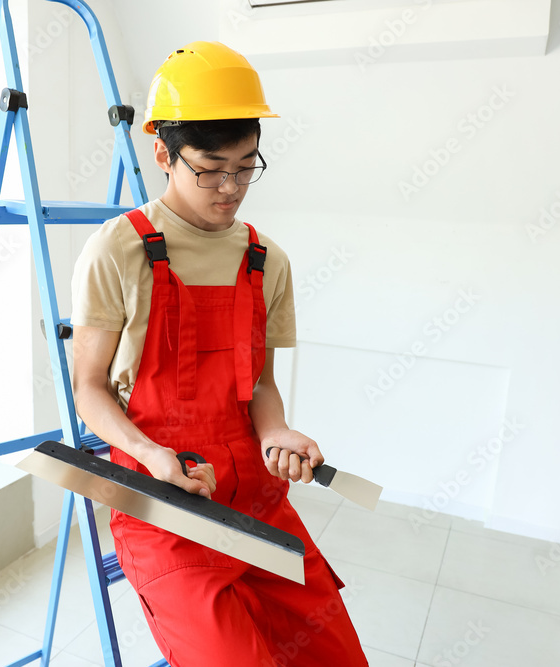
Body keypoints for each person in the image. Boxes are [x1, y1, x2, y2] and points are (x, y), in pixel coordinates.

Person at [70, 41, 368, 666]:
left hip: (257, 502)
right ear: (164, 154)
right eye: (210, 169)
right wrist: (151, 455)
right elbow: (88, 388)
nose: (231, 188)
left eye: (245, 166)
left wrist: (276, 432)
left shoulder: (266, 259)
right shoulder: (117, 251)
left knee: (336, 657)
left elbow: (259, 385)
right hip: (164, 500)